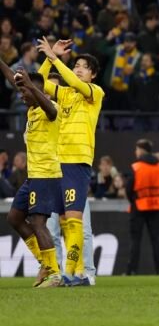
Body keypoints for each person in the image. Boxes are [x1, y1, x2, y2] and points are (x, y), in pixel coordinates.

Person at [37, 37, 103, 287]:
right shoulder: (64, 94)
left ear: (93, 75)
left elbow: (75, 82)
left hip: (77, 161)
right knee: (65, 222)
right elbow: (38, 84)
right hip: (59, 163)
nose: (78, 69)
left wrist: (56, 59)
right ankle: (74, 274)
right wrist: (49, 58)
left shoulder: (94, 93)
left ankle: (73, 273)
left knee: (75, 220)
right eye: (76, 64)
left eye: (85, 67)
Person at [1, 65, 63, 288]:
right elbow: (13, 80)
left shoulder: (51, 109)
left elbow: (52, 111)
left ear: (37, 92)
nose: (21, 96)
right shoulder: (32, 110)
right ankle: (45, 263)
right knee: (14, 218)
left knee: (38, 223)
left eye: (25, 92)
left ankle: (54, 274)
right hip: (33, 177)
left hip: (47, 175)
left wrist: (30, 85)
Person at [125, 139, 159, 276]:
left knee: (135, 240)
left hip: (138, 206)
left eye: (136, 149)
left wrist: (134, 200)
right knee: (156, 240)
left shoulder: (136, 167)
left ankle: (132, 270)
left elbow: (129, 189)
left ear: (141, 150)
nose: (135, 152)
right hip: (155, 206)